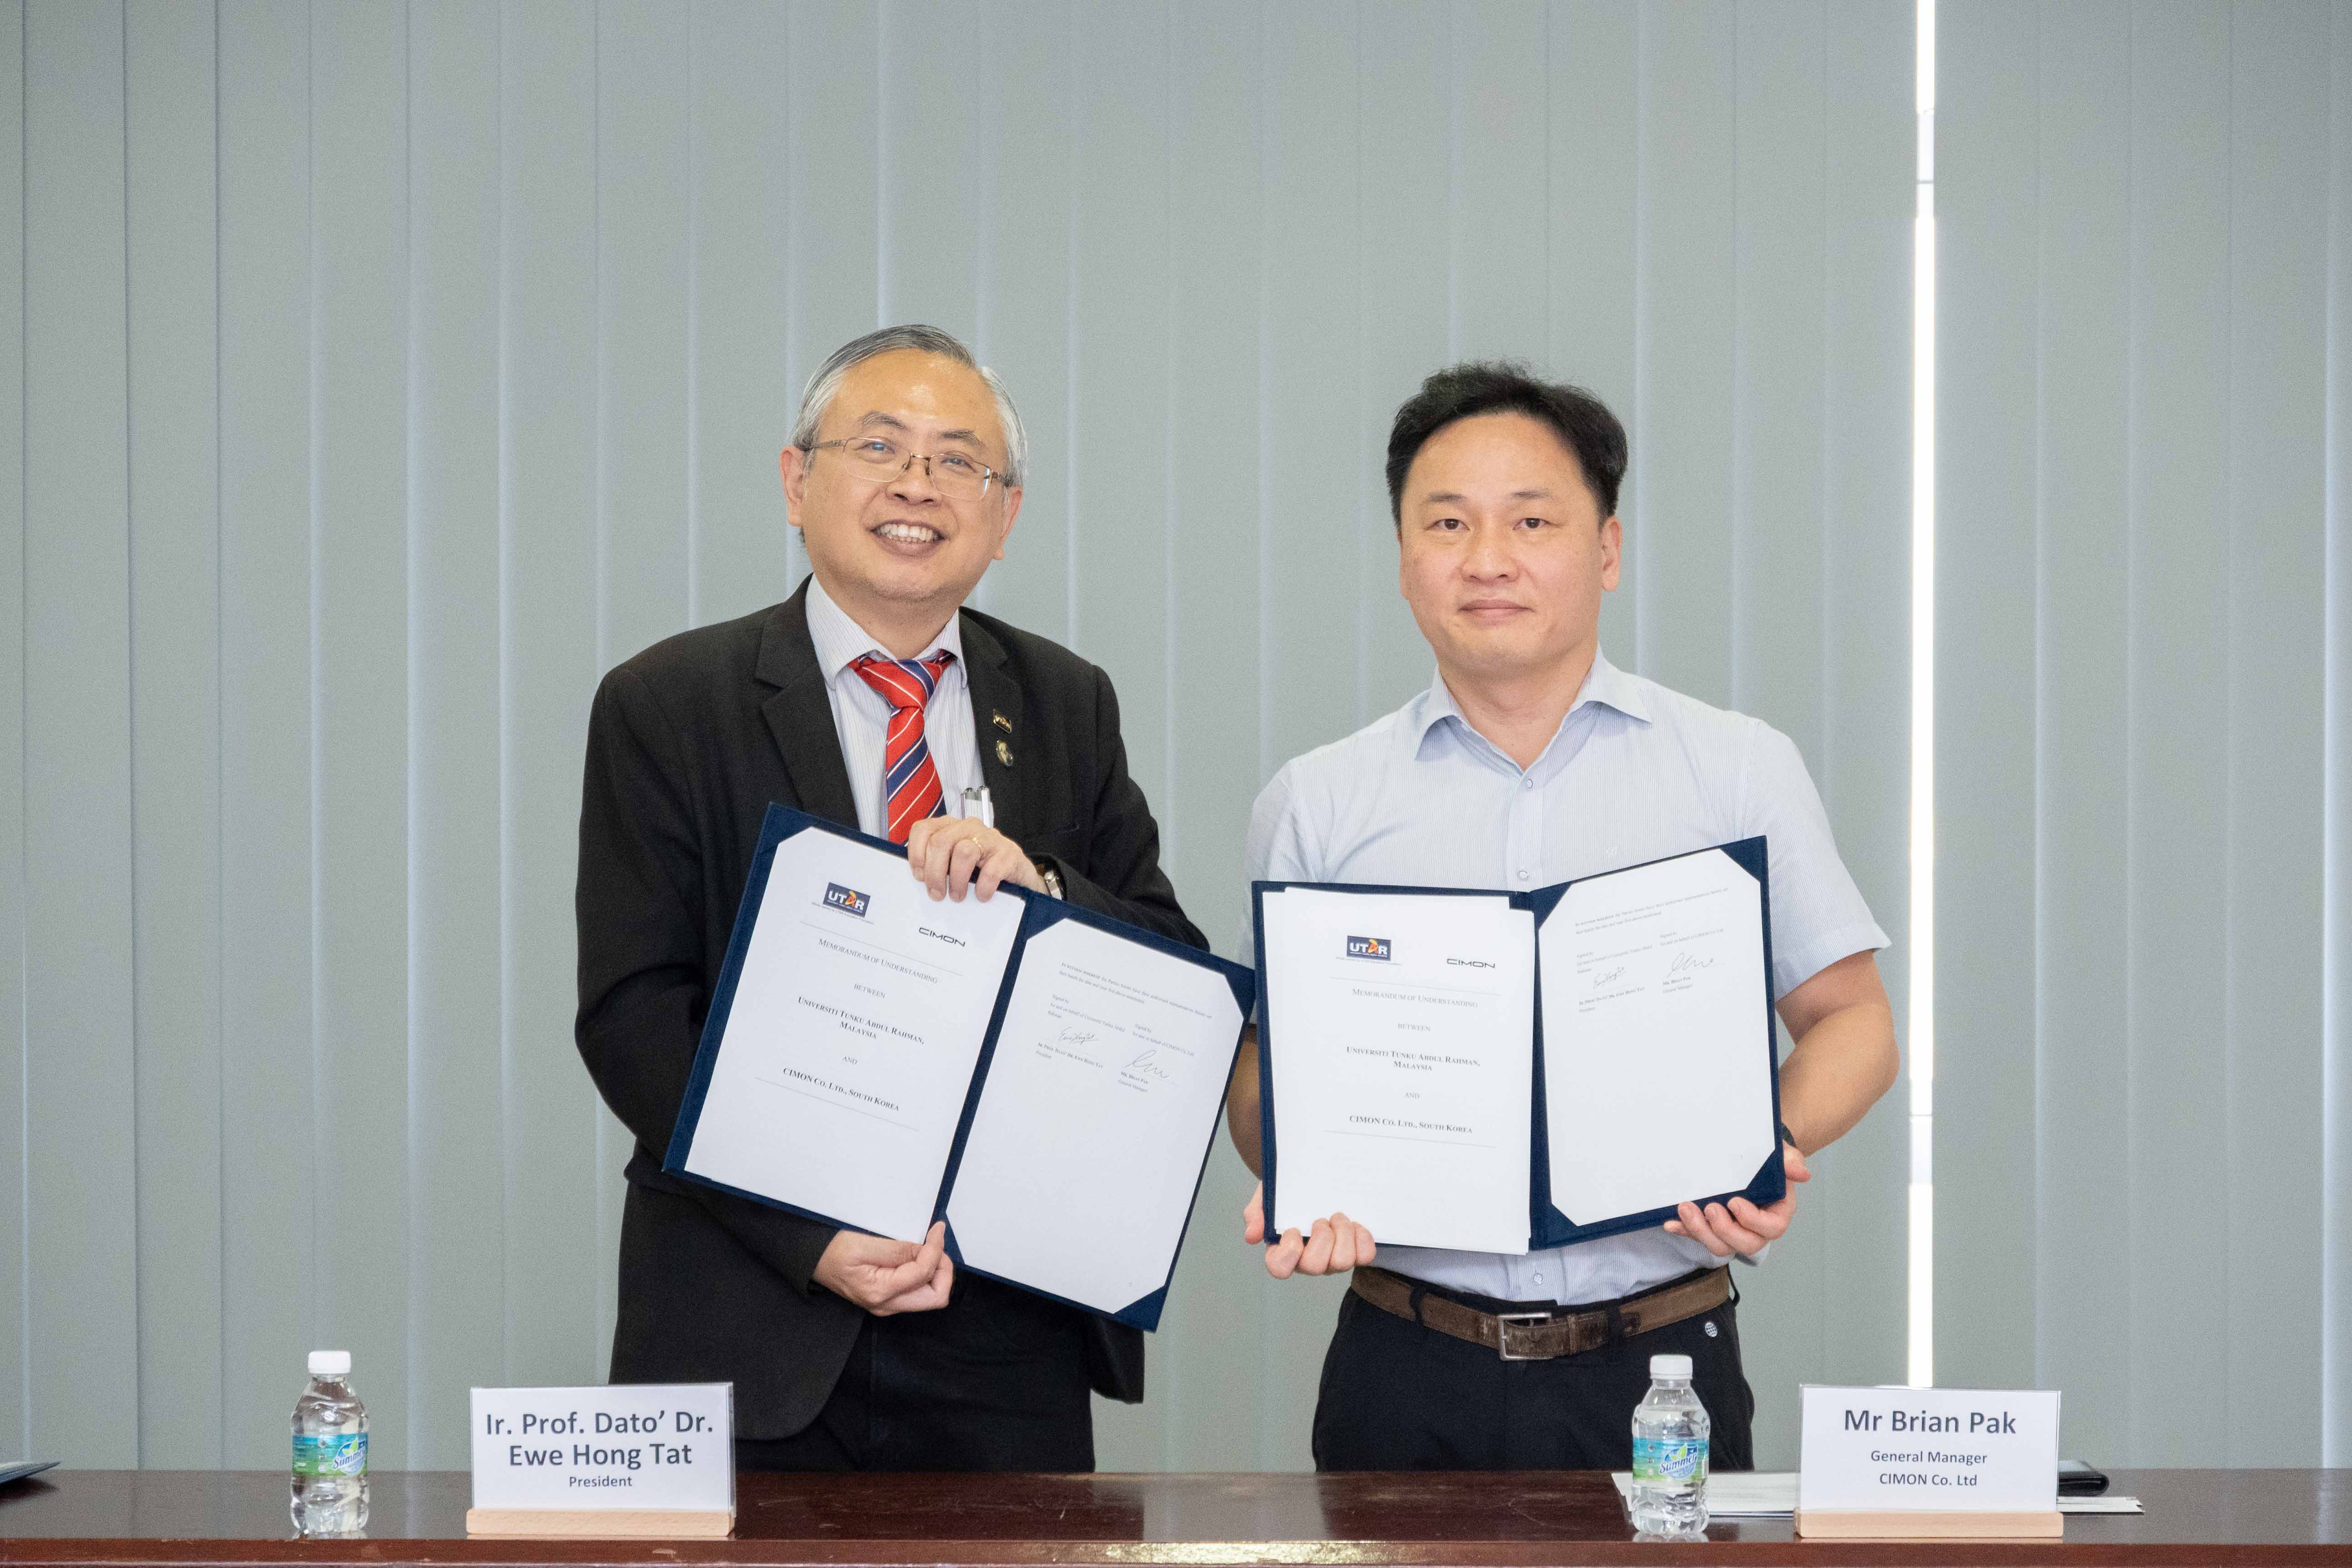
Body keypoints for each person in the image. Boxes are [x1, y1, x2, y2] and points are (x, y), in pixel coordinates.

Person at [1223, 362, 1899, 1471]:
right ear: (1403, 558)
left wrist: (1760, 1147)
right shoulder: (1319, 800)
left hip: (1661, 1363)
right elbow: (1261, 1070)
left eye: (1532, 519)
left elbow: (1855, 1022)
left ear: (1607, 551)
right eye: (1447, 522)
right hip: (1404, 1364)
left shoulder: (1733, 769)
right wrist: (1299, 1168)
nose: (1488, 558)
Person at [575, 324, 1204, 1472]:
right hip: (754, 1308)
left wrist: (1045, 885)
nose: (919, 483)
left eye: (961, 459)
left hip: (1007, 1316)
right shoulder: (669, 701)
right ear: (796, 479)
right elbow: (633, 1012)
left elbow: (1169, 960)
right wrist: (812, 1237)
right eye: (880, 445)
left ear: (1005, 514)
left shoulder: (1066, 699)